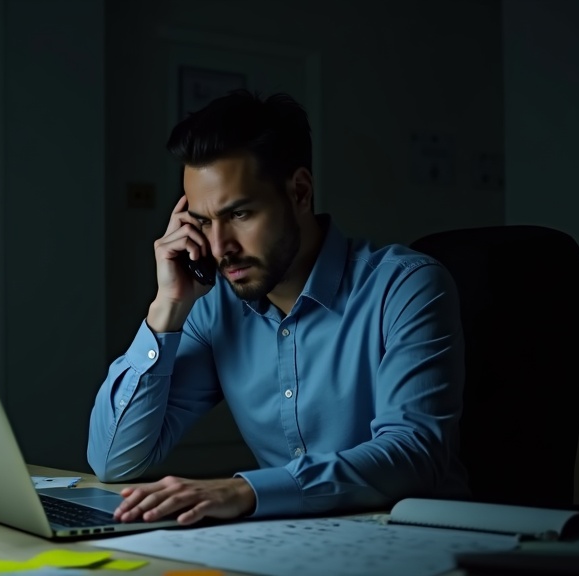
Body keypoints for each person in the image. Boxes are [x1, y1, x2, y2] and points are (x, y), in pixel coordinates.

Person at [87, 90, 469, 526]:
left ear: (300, 191)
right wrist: (166, 307)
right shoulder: (215, 308)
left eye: (240, 214)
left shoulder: (406, 285)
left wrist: (246, 490)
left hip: (422, 543)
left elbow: (414, 454)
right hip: (292, 542)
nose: (218, 248)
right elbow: (114, 460)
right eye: (204, 221)